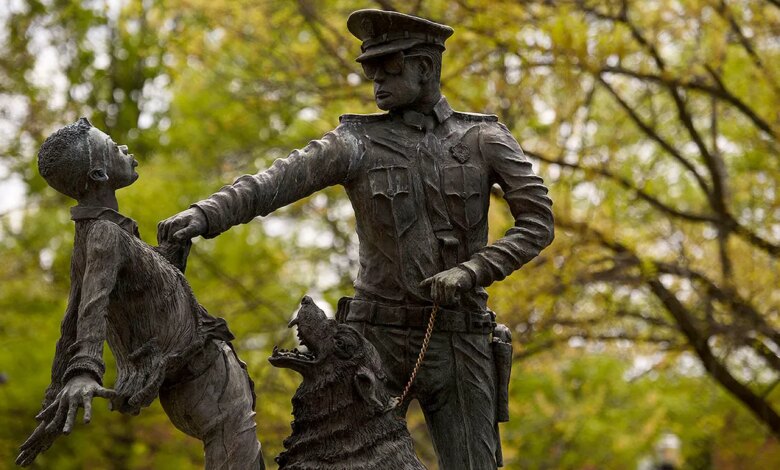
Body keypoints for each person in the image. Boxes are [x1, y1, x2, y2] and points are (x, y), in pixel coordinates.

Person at [158, 9, 554, 470]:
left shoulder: (485, 138)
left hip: (459, 342)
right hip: (374, 345)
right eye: (372, 74)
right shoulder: (356, 142)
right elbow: (275, 181)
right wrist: (205, 214)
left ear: (425, 68)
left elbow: (538, 222)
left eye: (390, 70)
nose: (377, 85)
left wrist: (473, 271)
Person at [17, 118, 264, 469]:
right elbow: (91, 306)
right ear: (100, 175)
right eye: (114, 146)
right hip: (202, 375)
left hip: (194, 376)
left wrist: (171, 252)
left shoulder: (100, 235)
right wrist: (84, 369)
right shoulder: (104, 234)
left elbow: (112, 305)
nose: (125, 148)